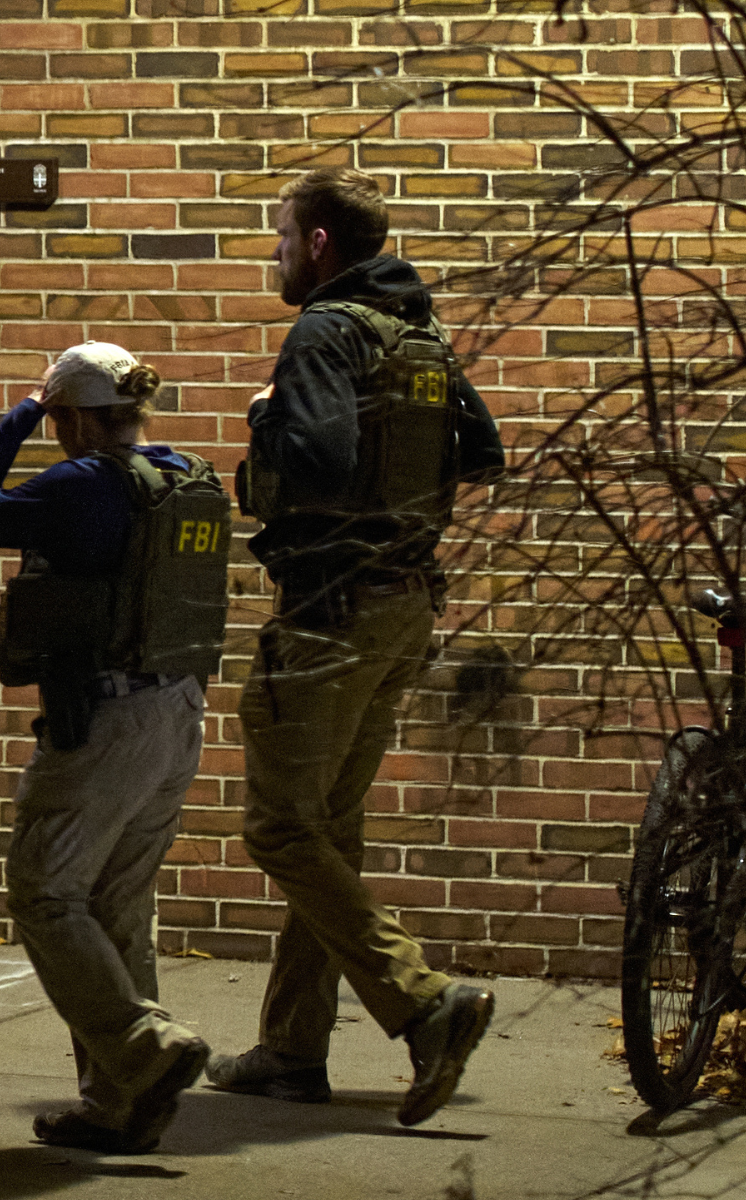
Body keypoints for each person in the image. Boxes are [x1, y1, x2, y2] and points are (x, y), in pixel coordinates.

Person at [211, 166, 505, 1125]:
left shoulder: (325, 332)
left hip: (331, 613)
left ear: (322, 245)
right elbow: (485, 452)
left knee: (280, 829)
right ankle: (294, 1050)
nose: (277, 254)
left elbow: (322, 468)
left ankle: (425, 1002)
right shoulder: (418, 337)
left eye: (284, 239)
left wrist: (266, 439)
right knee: (328, 827)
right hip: (407, 605)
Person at [0, 343, 231, 1154]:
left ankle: (146, 1048)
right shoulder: (182, 476)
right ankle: (119, 1106)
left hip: (106, 723)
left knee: (44, 893)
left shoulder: (80, 481)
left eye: (58, 418)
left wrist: (20, 415)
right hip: (177, 711)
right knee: (118, 907)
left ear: (70, 416)